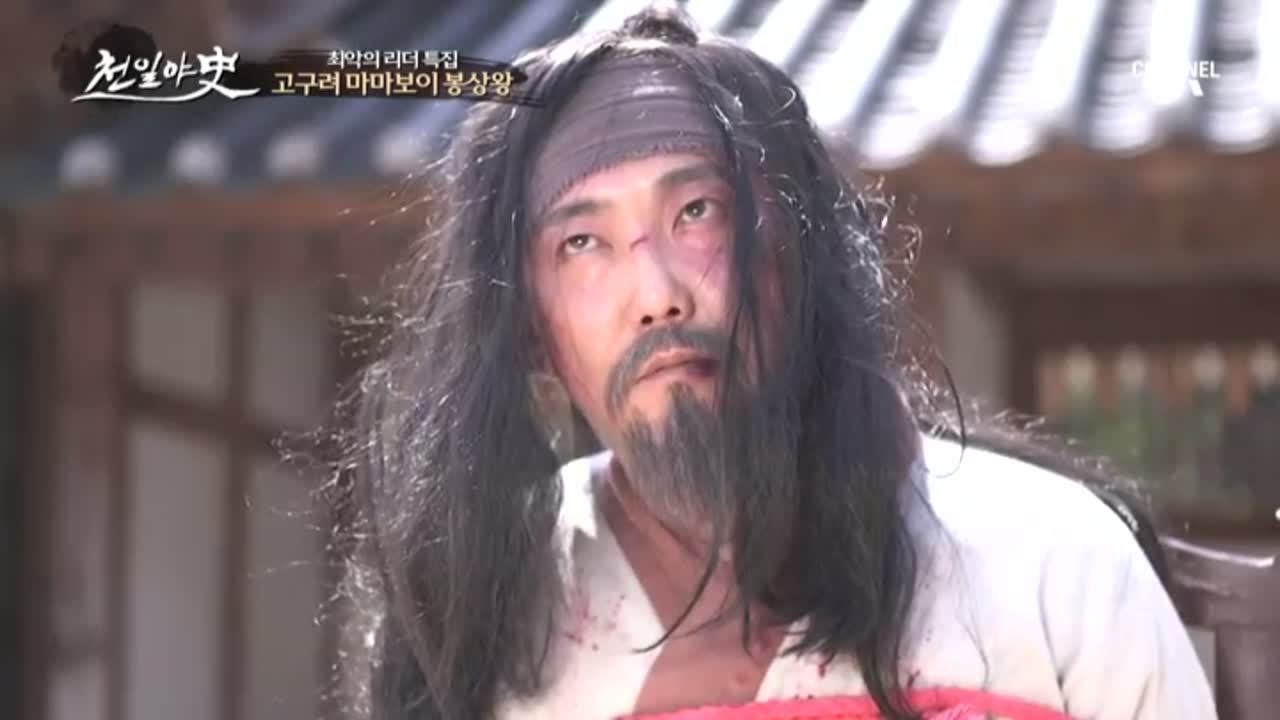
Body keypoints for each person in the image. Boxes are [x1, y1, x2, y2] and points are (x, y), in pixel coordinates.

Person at [331, 6, 1216, 719]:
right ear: (530, 329)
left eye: (697, 212)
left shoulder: (1057, 565)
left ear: (799, 255)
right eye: (583, 242)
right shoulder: (486, 606)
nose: (657, 294)